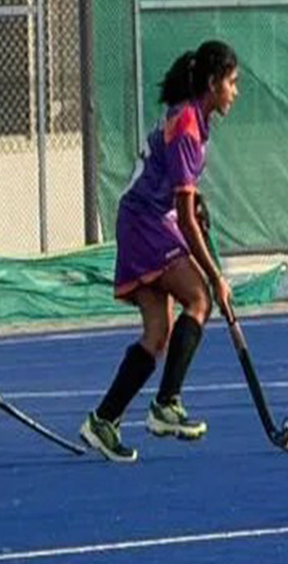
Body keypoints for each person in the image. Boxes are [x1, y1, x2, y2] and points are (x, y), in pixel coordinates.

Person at [79, 41, 239, 463]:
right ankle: (166, 405)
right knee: (200, 297)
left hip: (142, 218)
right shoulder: (188, 124)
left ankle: (103, 419)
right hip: (147, 223)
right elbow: (185, 221)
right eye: (231, 82)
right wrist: (216, 277)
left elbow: (179, 193)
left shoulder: (191, 119)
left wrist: (193, 201)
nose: (234, 92)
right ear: (212, 83)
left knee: (158, 333)